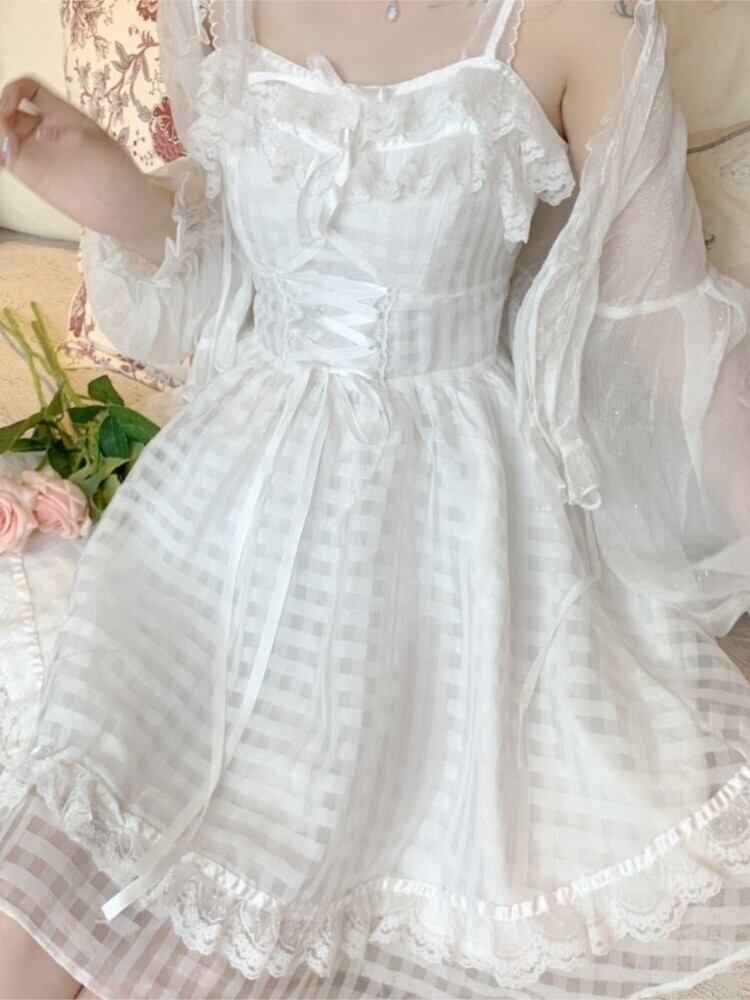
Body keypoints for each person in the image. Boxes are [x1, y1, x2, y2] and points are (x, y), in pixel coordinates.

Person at [1, 0, 749, 997]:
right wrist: (113, 195)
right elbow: (225, 281)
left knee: (294, 863)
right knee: (64, 860)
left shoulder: (579, 31)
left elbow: (663, 326)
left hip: (450, 512)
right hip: (229, 487)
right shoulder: (214, 9)